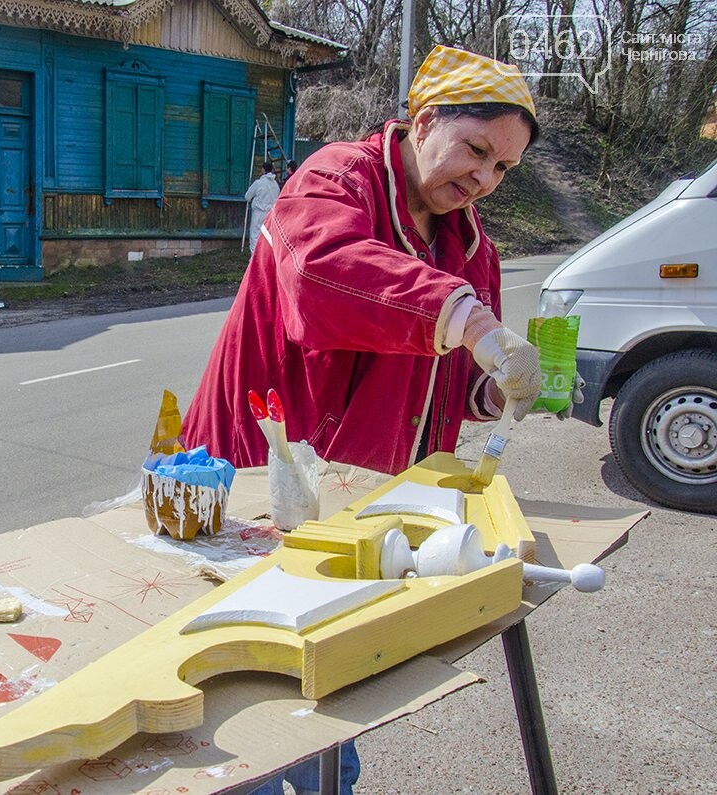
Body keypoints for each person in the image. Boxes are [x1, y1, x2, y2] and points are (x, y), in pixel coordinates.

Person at [182, 45, 545, 794]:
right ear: (425, 118)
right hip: (250, 488)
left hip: (360, 516)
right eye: (476, 149)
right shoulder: (335, 179)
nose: (483, 178)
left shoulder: (471, 245)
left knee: (328, 695)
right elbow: (318, 275)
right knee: (237, 700)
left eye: (502, 169)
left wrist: (489, 390)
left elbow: (449, 379)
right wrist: (464, 319)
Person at [244, 160, 281, 253]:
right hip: (270, 214)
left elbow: (247, 197)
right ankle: (267, 257)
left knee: (255, 235)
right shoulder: (275, 185)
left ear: (263, 170)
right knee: (268, 236)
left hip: (259, 213)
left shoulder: (258, 183)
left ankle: (254, 258)